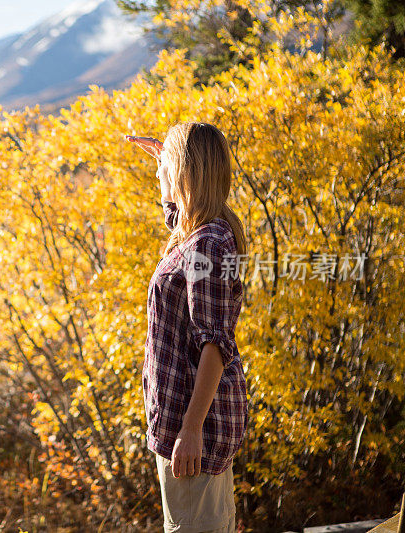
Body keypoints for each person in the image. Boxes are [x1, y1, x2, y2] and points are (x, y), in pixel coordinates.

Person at [127, 123, 249, 533]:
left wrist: (191, 430)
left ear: (183, 173)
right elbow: (177, 221)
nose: (159, 174)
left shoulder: (207, 244)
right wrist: (166, 163)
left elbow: (215, 344)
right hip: (188, 424)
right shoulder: (201, 231)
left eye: (167, 169)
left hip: (196, 428)